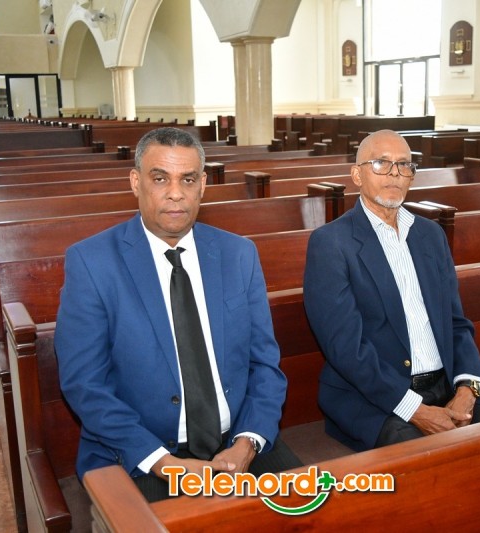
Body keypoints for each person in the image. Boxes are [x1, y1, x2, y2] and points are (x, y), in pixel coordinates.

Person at [55, 127, 300, 502]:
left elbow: (265, 363)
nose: (175, 193)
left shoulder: (238, 254)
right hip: (139, 452)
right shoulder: (92, 262)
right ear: (136, 182)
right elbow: (85, 384)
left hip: (237, 443)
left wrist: (248, 440)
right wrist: (162, 462)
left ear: (202, 185)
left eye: (187, 179)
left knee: (318, 513)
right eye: (160, 178)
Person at [303, 129, 480, 452]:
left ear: (412, 176)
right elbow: (347, 349)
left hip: (446, 383)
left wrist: (467, 388)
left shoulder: (430, 235)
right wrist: (415, 410)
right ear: (357, 175)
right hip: (376, 398)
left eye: (404, 165)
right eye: (381, 163)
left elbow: (456, 323)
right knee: (434, 463)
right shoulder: (331, 243)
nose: (395, 173)